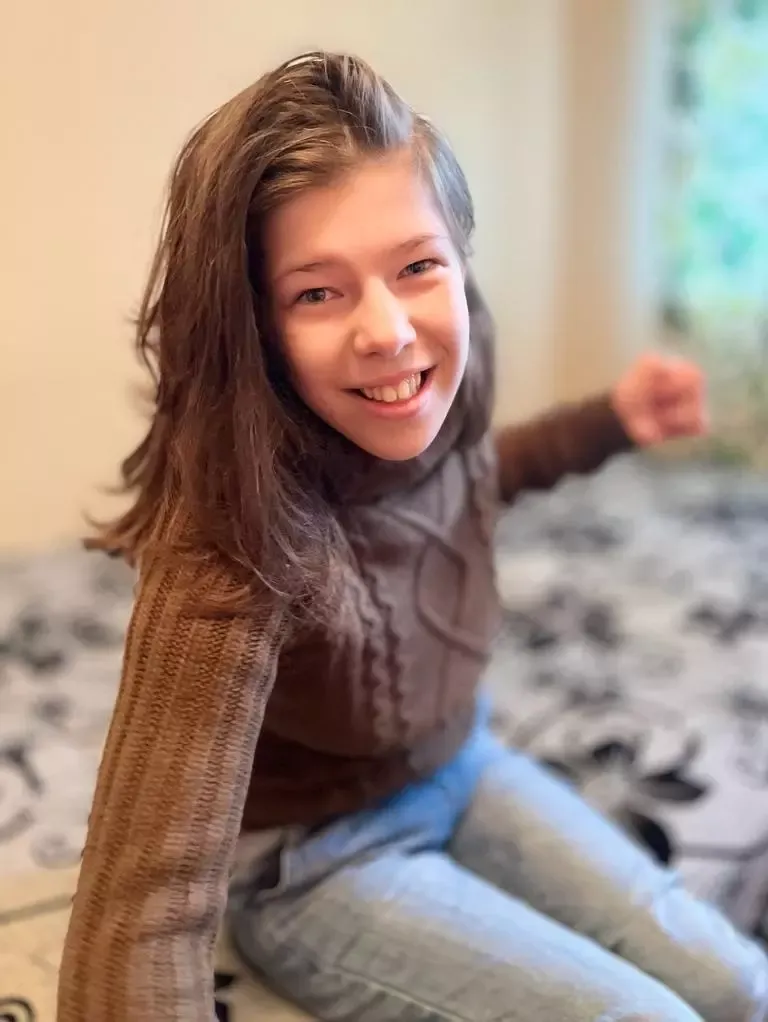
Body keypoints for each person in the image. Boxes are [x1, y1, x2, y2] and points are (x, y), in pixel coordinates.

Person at [57, 51, 767, 1022]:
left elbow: (463, 483)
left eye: (417, 266)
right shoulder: (231, 545)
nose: (388, 330)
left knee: (738, 984)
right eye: (318, 292)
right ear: (251, 326)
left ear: (458, 259)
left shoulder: (432, 392)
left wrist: (609, 422)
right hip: (313, 859)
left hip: (460, 762)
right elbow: (141, 905)